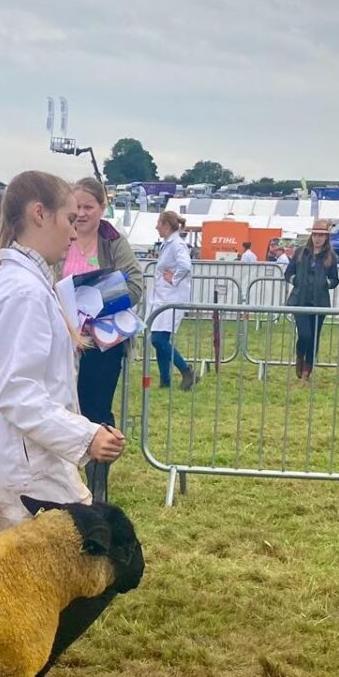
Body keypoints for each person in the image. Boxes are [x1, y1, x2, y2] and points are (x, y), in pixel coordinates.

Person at [0, 170, 123, 677]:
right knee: (97, 568)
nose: (76, 233)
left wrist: (72, 341)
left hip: (19, 461)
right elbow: (19, 394)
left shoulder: (31, 283)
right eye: (69, 220)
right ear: (37, 215)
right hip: (23, 468)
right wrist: (86, 439)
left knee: (12, 596)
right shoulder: (25, 290)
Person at [64, 177, 143, 503]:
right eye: (77, 207)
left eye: (88, 207)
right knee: (65, 408)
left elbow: (136, 284)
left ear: (102, 207)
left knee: (96, 409)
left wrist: (98, 299)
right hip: (63, 339)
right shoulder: (60, 236)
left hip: (102, 344)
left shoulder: (113, 242)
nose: (81, 214)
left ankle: (99, 488)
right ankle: (65, 481)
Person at [284, 218, 339, 382]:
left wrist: (326, 283)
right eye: (315, 234)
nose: (317, 238)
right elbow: (288, 273)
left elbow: (335, 279)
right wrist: (296, 280)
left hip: (319, 301)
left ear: (326, 237)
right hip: (299, 300)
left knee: (314, 337)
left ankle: (307, 372)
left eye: (321, 235)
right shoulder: (300, 252)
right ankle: (300, 356)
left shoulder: (331, 257)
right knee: (305, 335)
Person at [150, 210, 197, 389]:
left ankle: (186, 370)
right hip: (164, 298)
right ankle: (165, 381)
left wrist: (174, 278)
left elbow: (186, 265)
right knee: (159, 339)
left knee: (158, 340)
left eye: (159, 224)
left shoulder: (177, 244)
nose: (156, 227)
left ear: (166, 226)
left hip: (172, 298)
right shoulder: (168, 243)